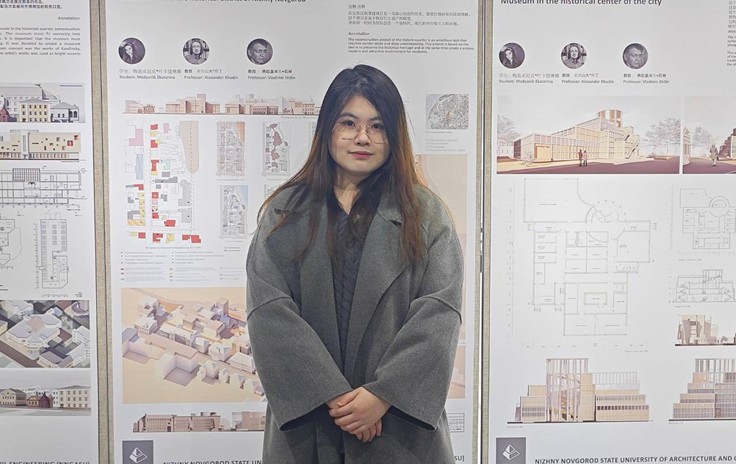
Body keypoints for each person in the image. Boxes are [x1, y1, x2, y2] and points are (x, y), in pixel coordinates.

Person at [246, 64, 463, 463]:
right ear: (327, 129)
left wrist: (382, 396)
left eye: (378, 126)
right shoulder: (285, 212)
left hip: (397, 427)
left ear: (394, 136)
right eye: (349, 123)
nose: (363, 137)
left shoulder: (426, 216)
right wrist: (333, 395)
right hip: (311, 422)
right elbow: (269, 311)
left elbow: (438, 315)